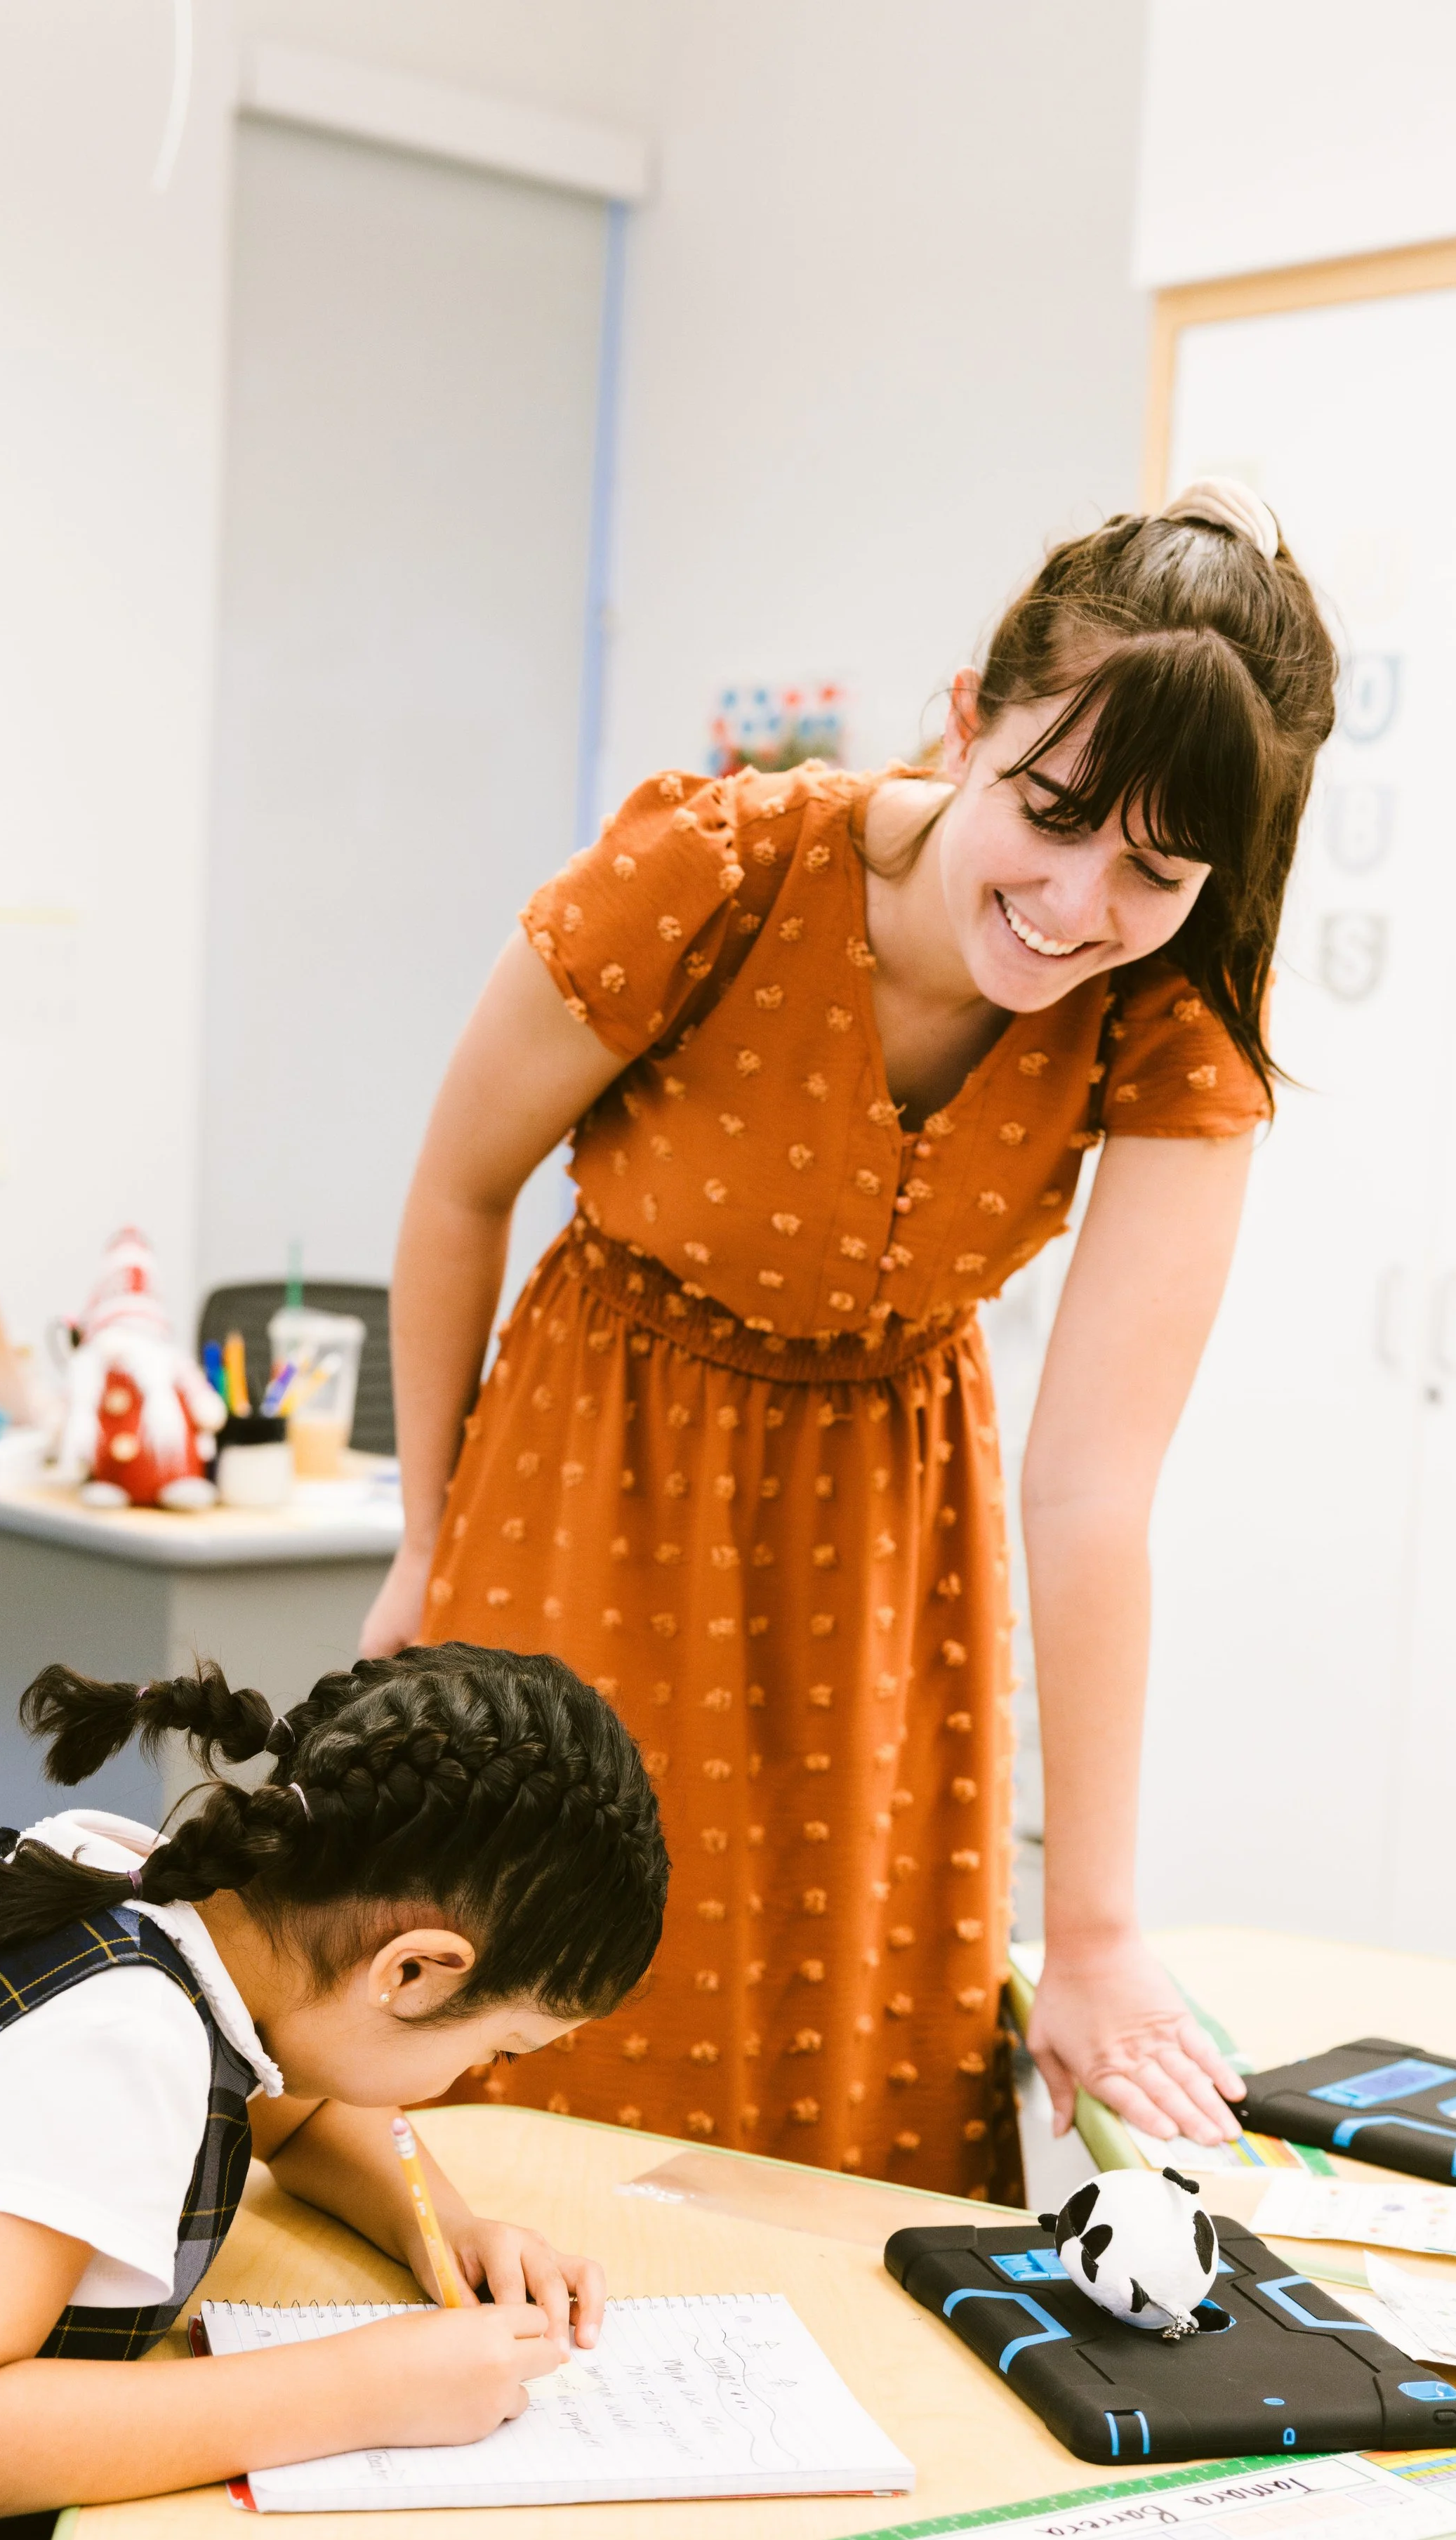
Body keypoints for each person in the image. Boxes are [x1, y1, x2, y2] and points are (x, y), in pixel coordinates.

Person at [363, 479, 1337, 2197]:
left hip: (882, 1558)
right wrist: (422, 1545)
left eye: (1153, 865)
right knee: (520, 1995)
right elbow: (457, 1190)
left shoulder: (1165, 1019)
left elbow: (1096, 1485)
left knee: (845, 2036)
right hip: (595, 1476)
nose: (1073, 900)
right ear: (968, 723)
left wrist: (1093, 1926)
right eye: (1047, 810)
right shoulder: (712, 871)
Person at [0, 1643, 667, 2540]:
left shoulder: (154, 1897)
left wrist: (446, 2229)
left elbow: (301, 2110)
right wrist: (367, 2388)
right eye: (502, 2046)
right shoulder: (121, 2039)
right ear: (413, 1973)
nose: (478, 2076)